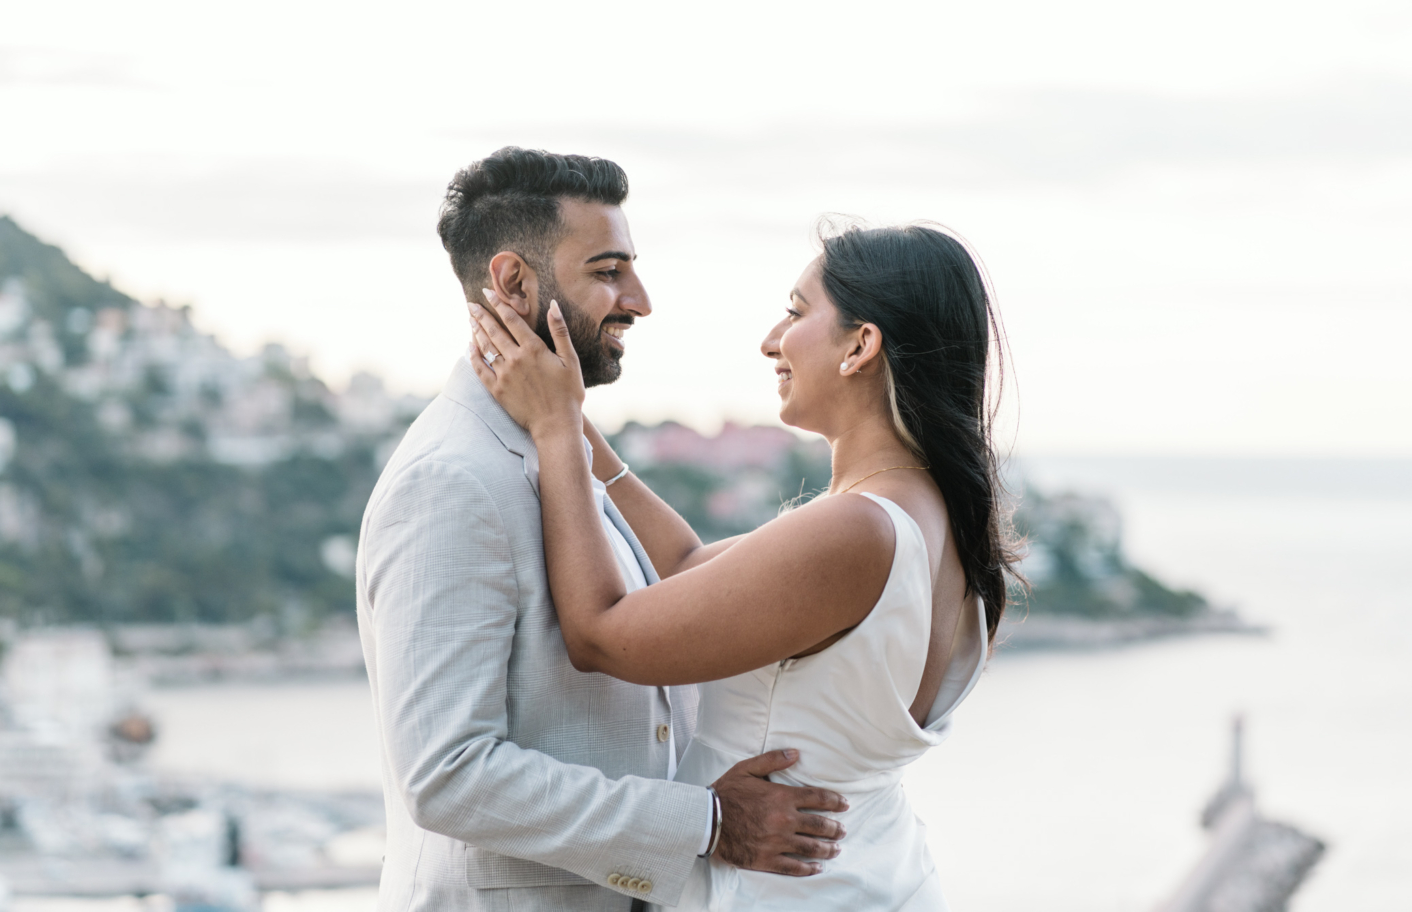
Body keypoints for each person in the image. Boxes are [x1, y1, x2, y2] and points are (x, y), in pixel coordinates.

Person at [468, 221, 1020, 910]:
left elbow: (601, 634)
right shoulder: (929, 516)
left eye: (795, 312)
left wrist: (551, 434)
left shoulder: (856, 529)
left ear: (861, 345)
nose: (769, 340)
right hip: (878, 881)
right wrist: (572, 417)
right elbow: (685, 566)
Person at [355, 147, 849, 912]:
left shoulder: (557, 447)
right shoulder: (449, 480)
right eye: (608, 270)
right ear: (515, 283)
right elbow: (447, 774)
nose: (640, 300)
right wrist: (709, 823)